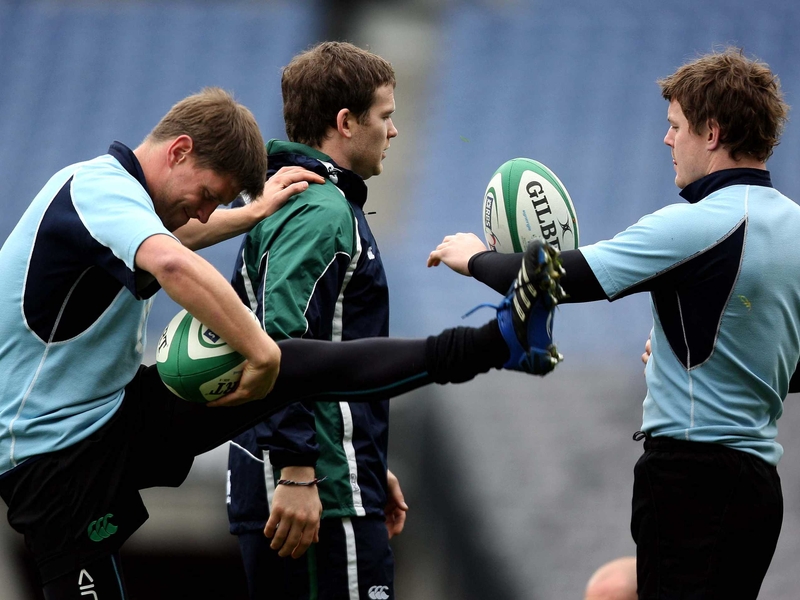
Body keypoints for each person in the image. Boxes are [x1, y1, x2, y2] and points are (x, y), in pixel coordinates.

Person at [0, 87, 561, 599]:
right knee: (285, 360)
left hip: (105, 421)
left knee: (305, 366)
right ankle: (498, 341)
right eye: (206, 195)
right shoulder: (96, 188)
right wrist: (264, 353)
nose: (202, 212)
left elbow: (178, 235)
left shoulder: (120, 201)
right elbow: (171, 258)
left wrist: (248, 213)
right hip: (50, 459)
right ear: (179, 151)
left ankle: (500, 340)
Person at [428, 47, 796, 599]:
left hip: (693, 480)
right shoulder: (793, 224)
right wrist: (698, 360)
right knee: (614, 589)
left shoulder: (697, 225)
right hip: (755, 489)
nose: (668, 140)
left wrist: (475, 258)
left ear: (712, 133)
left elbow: (559, 278)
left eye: (676, 127)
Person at [225, 41, 408, 600]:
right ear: (345, 123)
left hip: (327, 474)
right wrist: (300, 469)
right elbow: (284, 339)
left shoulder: (293, 198)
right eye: (385, 116)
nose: (393, 132)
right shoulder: (320, 210)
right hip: (315, 495)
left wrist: (369, 466)